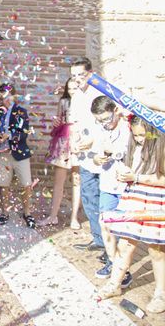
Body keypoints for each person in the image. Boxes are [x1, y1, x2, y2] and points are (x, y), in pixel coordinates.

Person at [96, 117, 165, 314]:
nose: (139, 139)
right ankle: (115, 283)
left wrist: (136, 177)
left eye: (143, 135)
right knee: (125, 244)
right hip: (134, 198)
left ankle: (161, 293)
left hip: (155, 201)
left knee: (156, 250)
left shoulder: (162, 149)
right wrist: (123, 173)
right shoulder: (134, 148)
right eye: (136, 135)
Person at [88, 95, 132, 287]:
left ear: (115, 110)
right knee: (104, 223)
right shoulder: (100, 128)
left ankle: (123, 270)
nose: (105, 124)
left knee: (124, 230)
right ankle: (115, 264)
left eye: (107, 119)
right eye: (100, 120)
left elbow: (125, 151)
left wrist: (110, 149)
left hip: (126, 185)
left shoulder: (128, 127)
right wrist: (97, 158)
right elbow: (95, 152)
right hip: (107, 183)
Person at [68, 57, 105, 253]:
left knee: (104, 202)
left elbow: (105, 124)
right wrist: (74, 140)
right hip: (85, 157)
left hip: (101, 157)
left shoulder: (100, 93)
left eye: (80, 75)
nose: (77, 80)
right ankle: (98, 239)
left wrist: (92, 141)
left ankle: (109, 246)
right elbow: (73, 122)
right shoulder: (76, 96)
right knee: (89, 198)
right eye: (73, 77)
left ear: (90, 73)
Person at [0, 83, 35, 228]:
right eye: (2, 98)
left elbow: (24, 132)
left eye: (7, 97)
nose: (4, 100)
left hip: (20, 153)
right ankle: (5, 213)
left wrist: (9, 136)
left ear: (14, 97)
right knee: (3, 185)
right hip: (3, 154)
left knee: (26, 184)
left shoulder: (21, 111)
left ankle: (27, 213)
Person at [39, 79, 81, 228]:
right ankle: (53, 216)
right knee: (59, 182)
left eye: (75, 88)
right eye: (69, 89)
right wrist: (56, 123)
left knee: (77, 181)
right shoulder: (64, 102)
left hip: (80, 143)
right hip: (63, 143)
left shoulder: (86, 103)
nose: (72, 91)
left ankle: (74, 218)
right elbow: (59, 122)